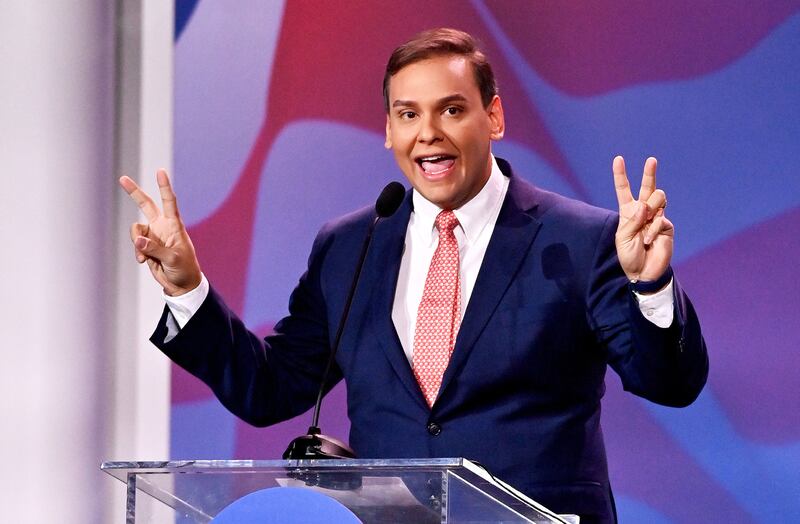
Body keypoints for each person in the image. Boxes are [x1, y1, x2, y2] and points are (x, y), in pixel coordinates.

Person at [120, 28, 707, 523]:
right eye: (408, 114)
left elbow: (671, 384)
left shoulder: (581, 238)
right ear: (389, 130)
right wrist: (186, 287)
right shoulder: (350, 246)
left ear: (493, 115)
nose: (428, 133)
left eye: (452, 109)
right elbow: (270, 389)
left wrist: (650, 288)